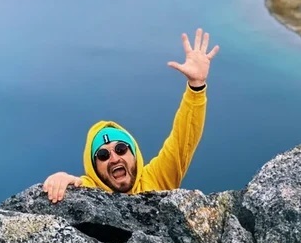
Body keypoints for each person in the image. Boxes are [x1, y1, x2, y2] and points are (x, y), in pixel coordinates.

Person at [43, 28, 219, 203]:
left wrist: (196, 86)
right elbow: (68, 184)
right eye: (103, 155)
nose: (114, 158)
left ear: (134, 154)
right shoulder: (87, 193)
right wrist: (60, 179)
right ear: (94, 167)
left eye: (121, 149)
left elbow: (183, 138)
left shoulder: (158, 178)